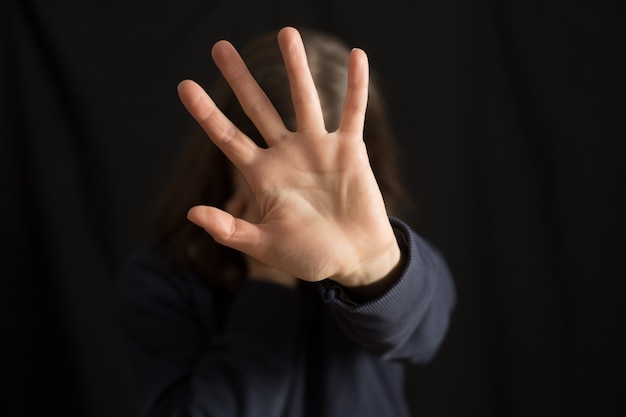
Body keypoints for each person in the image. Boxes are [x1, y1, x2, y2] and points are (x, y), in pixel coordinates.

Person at [117, 26, 456, 417]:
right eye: (284, 177)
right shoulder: (161, 278)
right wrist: (268, 287)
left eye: (323, 176)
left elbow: (424, 334)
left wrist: (370, 266)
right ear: (225, 158)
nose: (305, 209)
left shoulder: (391, 254)